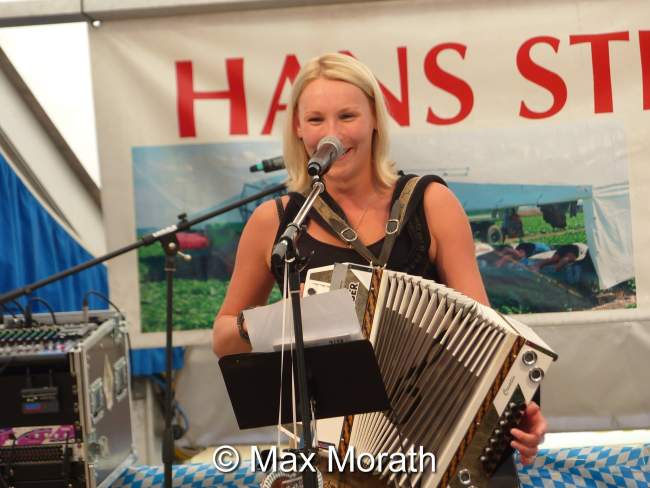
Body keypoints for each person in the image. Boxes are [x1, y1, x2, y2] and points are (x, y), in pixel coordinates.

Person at [212, 53, 545, 465]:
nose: (331, 134)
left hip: (438, 438)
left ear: (374, 120)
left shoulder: (431, 203)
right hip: (333, 454)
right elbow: (223, 337)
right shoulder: (276, 221)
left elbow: (486, 334)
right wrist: (285, 321)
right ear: (298, 128)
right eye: (315, 120)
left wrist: (519, 414)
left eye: (347, 116)